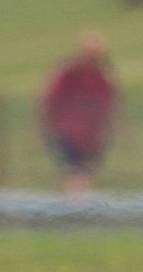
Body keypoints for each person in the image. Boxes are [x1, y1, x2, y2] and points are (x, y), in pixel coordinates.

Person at [38, 33, 121, 195]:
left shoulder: (102, 75)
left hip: (92, 135)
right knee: (75, 172)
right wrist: (47, 125)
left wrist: (113, 126)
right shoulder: (70, 72)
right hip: (68, 132)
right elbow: (50, 98)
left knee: (87, 173)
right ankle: (77, 203)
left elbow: (110, 102)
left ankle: (80, 202)